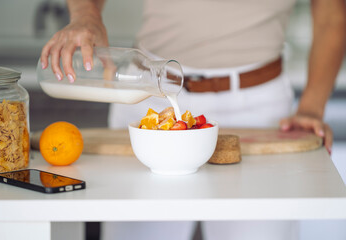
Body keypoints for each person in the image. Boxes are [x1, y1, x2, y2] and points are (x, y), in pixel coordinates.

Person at [40, 0, 346, 239]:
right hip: (149, 92)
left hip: (260, 107)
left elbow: (333, 15)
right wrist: (85, 15)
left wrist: (311, 108)